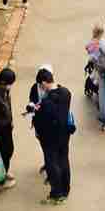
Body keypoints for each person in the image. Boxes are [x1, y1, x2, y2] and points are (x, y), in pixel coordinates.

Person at [33, 69, 72, 203]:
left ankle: (57, 193)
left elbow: (41, 121)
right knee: (64, 160)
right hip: (64, 134)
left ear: (44, 83)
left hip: (50, 137)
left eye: (40, 85)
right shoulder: (66, 93)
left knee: (52, 163)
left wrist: (36, 112)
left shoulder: (46, 102)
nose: (41, 88)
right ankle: (66, 188)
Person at [27, 64, 55, 181]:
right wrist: (31, 106)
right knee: (44, 147)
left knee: (51, 149)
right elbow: (31, 100)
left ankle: (52, 170)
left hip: (51, 126)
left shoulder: (55, 91)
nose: (42, 86)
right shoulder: (35, 87)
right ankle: (47, 164)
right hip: (39, 124)